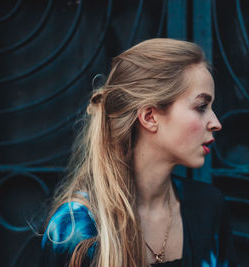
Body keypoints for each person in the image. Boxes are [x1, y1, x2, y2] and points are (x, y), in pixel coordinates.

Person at [41, 38, 237, 267]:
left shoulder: (208, 207)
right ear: (150, 117)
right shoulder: (77, 227)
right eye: (201, 107)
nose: (216, 123)